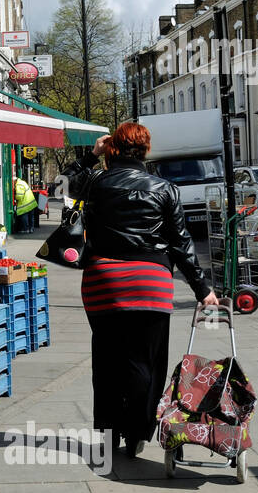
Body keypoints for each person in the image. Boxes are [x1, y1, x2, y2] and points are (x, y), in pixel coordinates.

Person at [63, 122, 219, 458]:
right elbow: (181, 244)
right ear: (145, 151)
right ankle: (137, 430)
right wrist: (202, 288)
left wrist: (91, 156)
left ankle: (108, 434)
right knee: (146, 362)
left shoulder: (94, 182)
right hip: (151, 282)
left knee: (106, 361)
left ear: (113, 148)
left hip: (103, 280)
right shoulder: (165, 188)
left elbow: (64, 186)